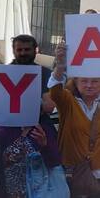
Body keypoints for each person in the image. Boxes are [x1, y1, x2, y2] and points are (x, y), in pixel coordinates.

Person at [49, 40, 100, 196]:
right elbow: (55, 90)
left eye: (95, 81)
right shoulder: (68, 101)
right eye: (84, 80)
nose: (89, 85)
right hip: (71, 173)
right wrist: (60, 66)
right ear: (76, 82)